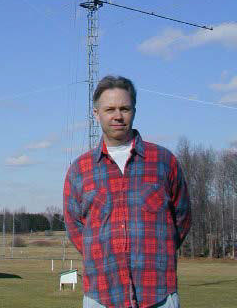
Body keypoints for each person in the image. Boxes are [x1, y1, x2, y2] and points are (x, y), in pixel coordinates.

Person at [63, 75, 191, 308]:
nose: (118, 116)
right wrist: (100, 255)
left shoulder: (164, 161)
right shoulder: (80, 170)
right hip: (101, 295)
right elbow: (75, 227)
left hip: (158, 293)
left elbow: (181, 218)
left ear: (134, 111)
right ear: (96, 114)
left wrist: (157, 253)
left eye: (124, 108)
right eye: (109, 109)